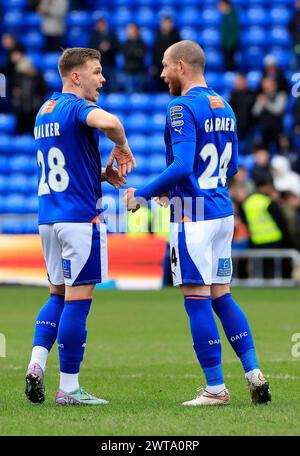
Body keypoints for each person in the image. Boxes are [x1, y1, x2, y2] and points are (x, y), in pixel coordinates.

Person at [124, 40, 271, 406]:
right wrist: (174, 189)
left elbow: (183, 165)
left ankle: (216, 388)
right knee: (223, 296)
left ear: (182, 66)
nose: (161, 73)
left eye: (164, 65)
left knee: (196, 300)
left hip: (194, 216)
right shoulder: (226, 106)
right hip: (221, 214)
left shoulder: (181, 107)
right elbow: (232, 167)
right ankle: (254, 374)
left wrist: (142, 193)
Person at [25, 47, 136, 406]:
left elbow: (66, 163)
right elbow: (111, 123)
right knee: (78, 301)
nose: (102, 79)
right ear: (76, 76)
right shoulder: (76, 106)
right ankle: (69, 388)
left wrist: (99, 175)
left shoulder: (45, 111)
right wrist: (121, 147)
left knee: (57, 294)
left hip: (49, 218)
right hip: (79, 220)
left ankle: (36, 364)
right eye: (97, 71)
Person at [151, 16, 180, 92]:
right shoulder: (157, 35)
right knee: (158, 88)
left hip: (172, 67)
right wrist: (154, 65)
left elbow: (180, 52)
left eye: (168, 23)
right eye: (165, 23)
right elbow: (154, 51)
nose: (167, 25)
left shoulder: (176, 36)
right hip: (159, 68)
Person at [89, 18, 119, 92]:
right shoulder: (94, 35)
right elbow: (90, 48)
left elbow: (118, 47)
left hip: (110, 64)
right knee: (99, 88)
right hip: (99, 66)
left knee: (113, 88)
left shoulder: (112, 34)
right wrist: (100, 47)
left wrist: (109, 47)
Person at [218, 0, 239, 71]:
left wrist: (229, 45)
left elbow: (234, 32)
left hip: (230, 47)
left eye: (221, 5)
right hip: (226, 46)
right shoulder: (225, 16)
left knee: (230, 65)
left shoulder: (232, 16)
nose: (219, 7)